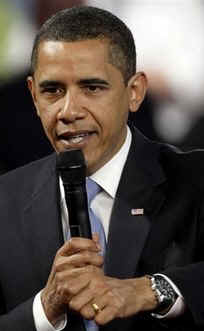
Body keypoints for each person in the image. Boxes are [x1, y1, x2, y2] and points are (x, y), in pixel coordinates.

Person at [0, 5, 204, 331]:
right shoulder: (4, 202)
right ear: (33, 96)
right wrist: (44, 309)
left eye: (92, 88)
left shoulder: (194, 181)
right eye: (52, 90)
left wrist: (154, 289)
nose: (69, 111)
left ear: (134, 92)